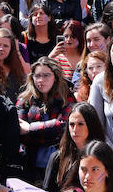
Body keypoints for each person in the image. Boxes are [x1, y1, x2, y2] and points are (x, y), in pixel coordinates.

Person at [17, 57, 74, 185]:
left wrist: (30, 129)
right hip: (30, 160)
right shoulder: (25, 98)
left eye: (46, 75)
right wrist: (52, 126)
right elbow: (18, 128)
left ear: (55, 76)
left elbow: (65, 127)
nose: (41, 80)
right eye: (37, 76)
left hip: (58, 161)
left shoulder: (66, 97)